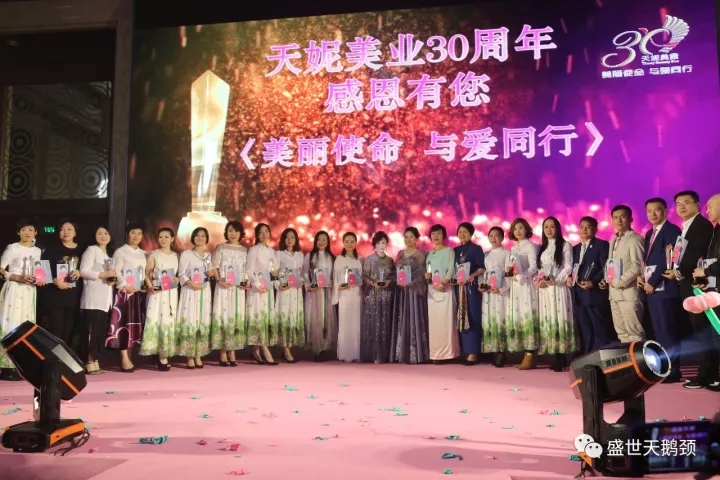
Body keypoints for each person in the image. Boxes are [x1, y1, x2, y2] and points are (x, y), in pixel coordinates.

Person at [666, 191, 715, 390]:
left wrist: (678, 273)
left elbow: (697, 256)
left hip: (698, 283)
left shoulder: (701, 226)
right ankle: (707, 373)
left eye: (686, 202)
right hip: (687, 282)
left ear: (697, 204)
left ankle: (707, 375)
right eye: (678, 203)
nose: (682, 207)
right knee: (699, 330)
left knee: (703, 330)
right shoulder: (686, 227)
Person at [638, 198, 684, 383]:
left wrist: (653, 281)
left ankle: (674, 370)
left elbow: (669, 259)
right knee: (659, 331)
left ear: (665, 211)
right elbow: (649, 261)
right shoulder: (650, 233)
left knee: (668, 331)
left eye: (656, 210)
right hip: (652, 290)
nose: (652, 214)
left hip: (665, 288)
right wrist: (642, 276)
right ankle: (665, 368)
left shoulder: (672, 231)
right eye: (649, 211)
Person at [0, 218, 45, 381]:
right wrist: (17, 277)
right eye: (24, 229)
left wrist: (40, 279)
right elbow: (1, 269)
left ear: (35, 233)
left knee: (25, 325)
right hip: (14, 289)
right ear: (18, 232)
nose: (27, 233)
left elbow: (40, 272)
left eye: (31, 229)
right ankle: (6, 366)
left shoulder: (38, 251)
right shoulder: (12, 248)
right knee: (10, 324)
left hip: (29, 291)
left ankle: (21, 365)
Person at [536, 217, 576, 372]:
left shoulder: (565, 245)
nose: (549, 229)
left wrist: (557, 280)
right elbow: (540, 269)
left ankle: (562, 356)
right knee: (550, 319)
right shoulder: (543, 247)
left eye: (552, 226)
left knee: (559, 318)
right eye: (546, 227)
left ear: (558, 228)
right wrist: (540, 280)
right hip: (546, 290)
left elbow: (568, 267)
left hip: (558, 288)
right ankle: (555, 356)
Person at [600, 205, 645, 343]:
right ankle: (628, 357)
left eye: (623, 217)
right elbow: (611, 264)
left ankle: (640, 357)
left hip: (628, 293)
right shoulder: (612, 240)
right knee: (621, 332)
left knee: (634, 332)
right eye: (615, 217)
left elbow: (638, 265)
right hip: (614, 294)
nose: (619, 220)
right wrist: (606, 280)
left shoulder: (635, 239)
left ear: (630, 219)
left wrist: (619, 282)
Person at [107, 223, 148, 372]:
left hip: (138, 293)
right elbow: (116, 271)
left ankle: (129, 356)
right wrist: (125, 285)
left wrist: (144, 286)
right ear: (127, 234)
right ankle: (123, 358)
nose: (136, 236)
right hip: (124, 293)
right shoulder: (120, 251)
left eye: (139, 233)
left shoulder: (144, 253)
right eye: (133, 232)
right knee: (124, 324)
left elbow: (145, 273)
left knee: (133, 324)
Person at [690, 193, 720, 392]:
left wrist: (705, 272)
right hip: (714, 291)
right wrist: (705, 279)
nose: (706, 210)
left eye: (710, 206)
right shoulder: (716, 230)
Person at [570, 216, 613, 353]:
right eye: (581, 226)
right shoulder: (575, 248)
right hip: (579, 294)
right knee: (585, 329)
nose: (584, 229)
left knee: (598, 327)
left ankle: (602, 354)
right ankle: (588, 355)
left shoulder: (602, 245)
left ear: (595, 229)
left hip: (594, 293)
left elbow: (605, 267)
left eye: (588, 226)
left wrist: (594, 282)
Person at [139, 227, 180, 370]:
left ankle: (164, 353)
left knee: (168, 320)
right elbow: (147, 274)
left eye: (166, 237)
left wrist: (177, 280)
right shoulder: (154, 254)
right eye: (161, 237)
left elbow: (178, 275)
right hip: (157, 292)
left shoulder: (176, 256)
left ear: (172, 239)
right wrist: (150, 286)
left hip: (171, 292)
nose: (163, 239)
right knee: (157, 320)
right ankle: (161, 357)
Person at [210, 221, 248, 367]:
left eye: (236, 231)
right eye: (230, 230)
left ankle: (232, 350)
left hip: (238, 289)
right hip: (223, 288)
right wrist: (219, 280)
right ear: (226, 232)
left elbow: (246, 270)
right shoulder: (221, 247)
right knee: (223, 316)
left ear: (241, 233)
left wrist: (245, 282)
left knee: (235, 317)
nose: (233, 234)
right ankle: (222, 352)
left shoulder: (244, 250)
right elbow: (214, 266)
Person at [79, 226, 116, 374]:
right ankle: (88, 361)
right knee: (90, 331)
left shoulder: (110, 255)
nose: (103, 236)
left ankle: (95, 359)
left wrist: (112, 279)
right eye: (99, 233)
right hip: (92, 298)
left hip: (105, 299)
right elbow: (83, 271)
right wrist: (103, 274)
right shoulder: (91, 250)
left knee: (99, 332)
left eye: (106, 233)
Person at [391, 226, 429, 364]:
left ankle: (416, 353)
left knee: (414, 318)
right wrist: (399, 277)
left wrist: (411, 282)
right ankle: (403, 353)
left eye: (411, 237)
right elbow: (396, 270)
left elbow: (422, 273)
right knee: (403, 318)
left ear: (417, 239)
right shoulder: (401, 253)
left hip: (414, 292)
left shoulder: (421, 254)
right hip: (402, 292)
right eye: (406, 237)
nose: (408, 239)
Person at [505, 218, 540, 370]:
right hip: (516, 287)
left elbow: (533, 267)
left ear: (526, 230)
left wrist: (520, 276)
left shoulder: (530, 246)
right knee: (519, 316)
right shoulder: (514, 248)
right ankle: (525, 352)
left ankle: (531, 353)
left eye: (521, 228)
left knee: (528, 316)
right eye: (515, 229)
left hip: (526, 285)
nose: (518, 231)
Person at [177, 227, 213, 369]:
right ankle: (189, 354)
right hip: (190, 291)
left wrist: (211, 274)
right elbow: (181, 273)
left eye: (203, 236)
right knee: (191, 319)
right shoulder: (186, 254)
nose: (200, 238)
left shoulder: (208, 256)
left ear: (206, 239)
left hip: (204, 291)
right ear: (193, 237)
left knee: (202, 319)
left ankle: (199, 354)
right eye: (197, 235)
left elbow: (210, 273)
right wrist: (191, 284)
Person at [424, 224, 459, 363]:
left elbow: (451, 269)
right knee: (434, 322)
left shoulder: (449, 251)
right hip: (432, 290)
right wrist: (427, 276)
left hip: (445, 288)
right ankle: (436, 354)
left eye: (438, 233)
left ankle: (448, 354)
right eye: (433, 234)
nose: (436, 236)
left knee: (446, 321)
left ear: (443, 235)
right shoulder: (429, 253)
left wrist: (443, 283)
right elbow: (429, 270)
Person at [453, 222, 486, 365]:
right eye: (460, 231)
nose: (462, 234)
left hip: (472, 287)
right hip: (459, 287)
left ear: (471, 234)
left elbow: (482, 268)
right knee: (461, 316)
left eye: (465, 232)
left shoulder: (476, 249)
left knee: (472, 316)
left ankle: (474, 352)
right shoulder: (455, 250)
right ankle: (465, 350)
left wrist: (471, 276)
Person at [361, 231, 396, 363]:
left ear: (386, 244)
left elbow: (394, 276)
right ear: (374, 245)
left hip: (386, 296)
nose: (381, 245)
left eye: (383, 242)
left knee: (385, 323)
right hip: (373, 295)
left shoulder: (390, 261)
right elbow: (364, 276)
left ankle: (385, 354)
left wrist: (389, 282)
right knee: (374, 323)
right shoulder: (369, 260)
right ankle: (373, 354)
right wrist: (373, 283)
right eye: (378, 243)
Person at [303, 231, 336, 361]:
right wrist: (309, 285)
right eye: (319, 239)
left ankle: (325, 348)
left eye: (324, 239)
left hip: (327, 292)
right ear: (315, 241)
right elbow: (304, 274)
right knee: (315, 319)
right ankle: (316, 349)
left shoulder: (331, 257)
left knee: (326, 319)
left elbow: (334, 275)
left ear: (328, 242)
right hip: (315, 292)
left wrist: (332, 282)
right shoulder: (310, 256)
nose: (321, 242)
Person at [480, 226, 510, 367]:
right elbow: (483, 273)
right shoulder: (486, 254)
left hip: (499, 293)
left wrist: (502, 288)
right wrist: (481, 284)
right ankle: (493, 350)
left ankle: (502, 352)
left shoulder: (506, 254)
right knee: (489, 319)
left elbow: (509, 274)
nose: (493, 238)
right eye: (491, 236)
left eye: (496, 235)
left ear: (502, 237)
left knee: (500, 318)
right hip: (488, 293)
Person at [275, 227, 305, 363]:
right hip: (284, 290)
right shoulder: (278, 254)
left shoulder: (300, 255)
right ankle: (285, 350)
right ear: (283, 239)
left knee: (293, 317)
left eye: (292, 237)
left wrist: (302, 281)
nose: (290, 240)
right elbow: (274, 273)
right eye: (287, 237)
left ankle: (288, 348)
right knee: (285, 316)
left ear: (296, 239)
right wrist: (279, 284)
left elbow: (302, 273)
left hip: (296, 291)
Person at [333, 232, 363, 362]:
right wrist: (339, 286)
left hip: (356, 294)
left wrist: (359, 282)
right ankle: (345, 354)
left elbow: (361, 277)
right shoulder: (339, 259)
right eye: (347, 241)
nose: (349, 244)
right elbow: (335, 277)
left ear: (355, 243)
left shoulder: (359, 259)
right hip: (344, 294)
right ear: (343, 243)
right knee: (345, 323)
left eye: (352, 241)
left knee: (356, 324)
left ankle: (355, 353)